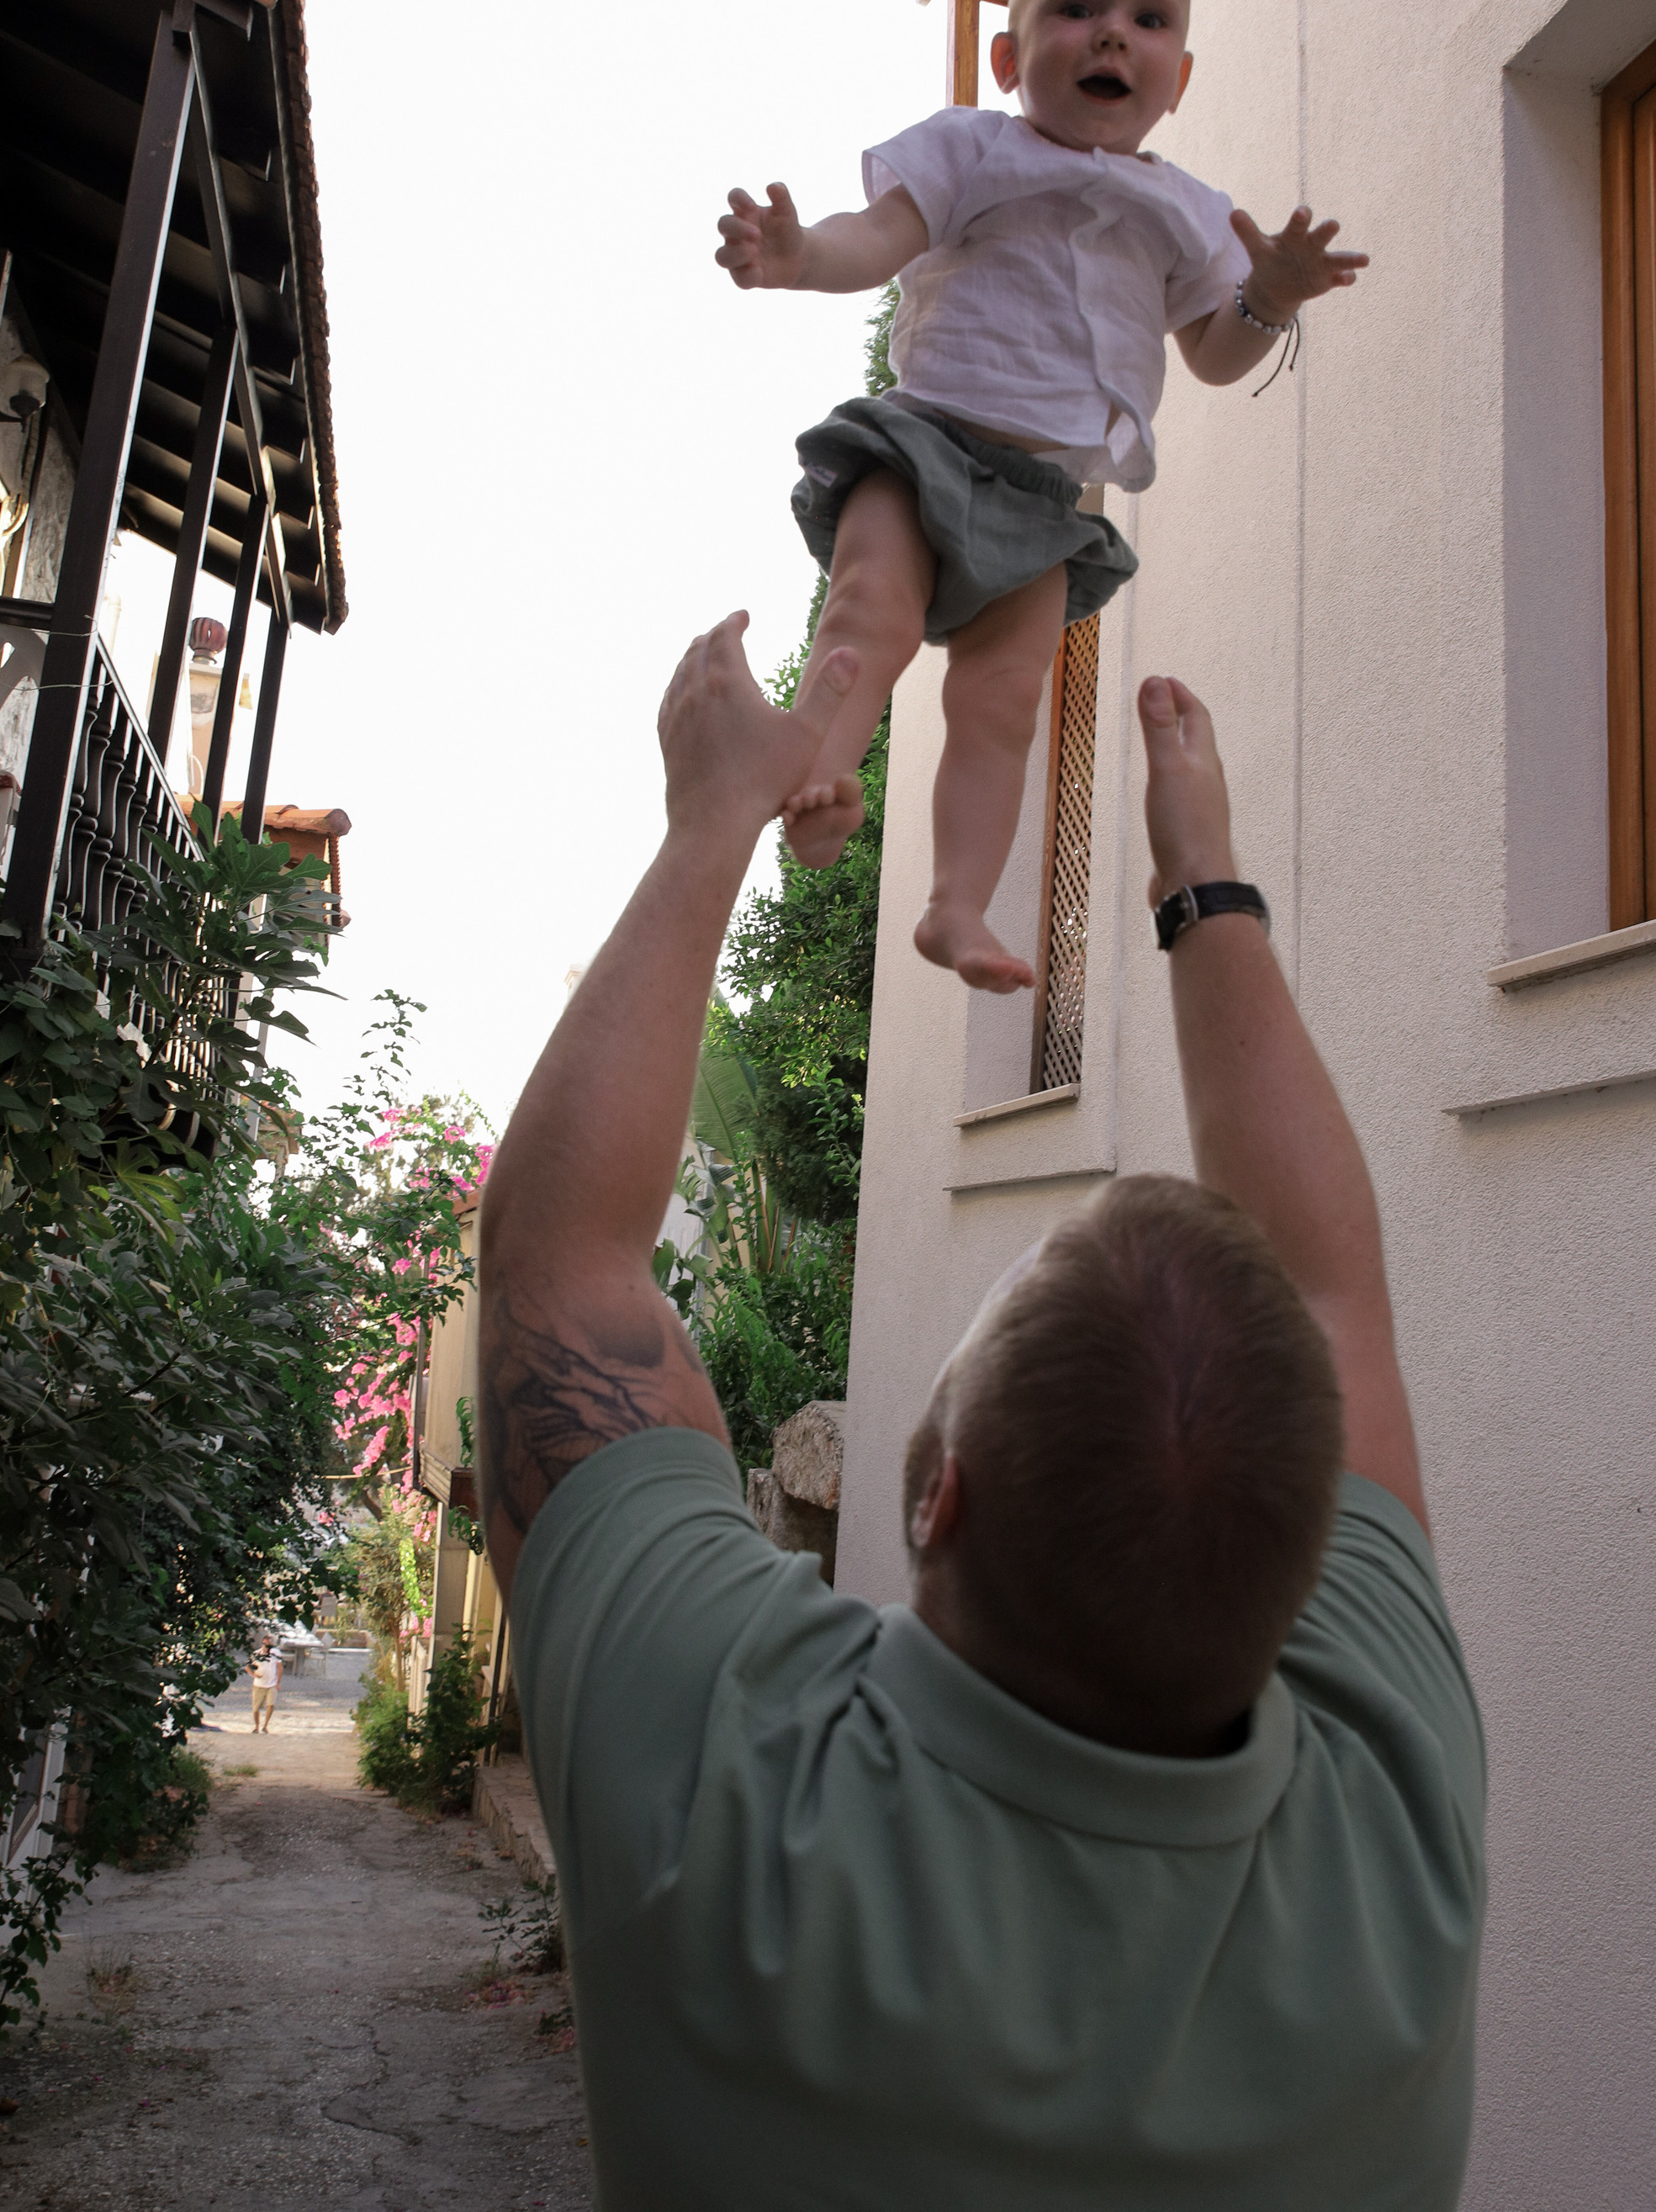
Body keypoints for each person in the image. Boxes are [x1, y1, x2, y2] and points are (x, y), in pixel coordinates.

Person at [476, 614, 1484, 2209]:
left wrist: (710, 819)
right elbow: (1339, 1295)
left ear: (939, 1500)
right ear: (1307, 1574)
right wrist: (1204, 884)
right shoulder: (1390, 1851)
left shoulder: (730, 1780)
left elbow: (558, 1255)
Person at [715, 0, 1366, 992]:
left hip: (1044, 499)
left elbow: (1212, 354)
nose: (1114, 32)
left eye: (1149, 19)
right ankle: (817, 782)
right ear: (1012, 55)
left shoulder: (1193, 214)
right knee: (869, 609)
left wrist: (1270, 294)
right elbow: (875, 241)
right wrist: (796, 253)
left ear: (1181, 76)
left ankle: (955, 906)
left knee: (1005, 703)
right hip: (920, 445)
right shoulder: (974, 148)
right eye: (1078, 7)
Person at [247, 1640, 281, 1735]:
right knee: (255, 1708)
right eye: (266, 1645)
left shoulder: (276, 1654)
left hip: (272, 1684)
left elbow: (279, 1667)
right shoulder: (256, 1654)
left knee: (271, 1705)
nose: (268, 1647)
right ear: (262, 1645)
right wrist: (254, 1674)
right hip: (259, 1685)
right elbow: (247, 1667)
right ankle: (257, 1726)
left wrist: (278, 1681)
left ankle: (265, 1726)